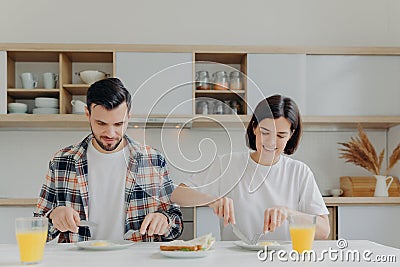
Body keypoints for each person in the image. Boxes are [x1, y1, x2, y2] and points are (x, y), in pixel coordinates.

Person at [34, 78, 183, 243]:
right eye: (101, 123)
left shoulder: (153, 160)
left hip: (136, 260)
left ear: (129, 117)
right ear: (87, 114)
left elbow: (176, 224)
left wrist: (164, 220)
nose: (110, 133)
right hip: (81, 261)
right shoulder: (62, 161)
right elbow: (36, 229)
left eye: (119, 124)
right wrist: (53, 217)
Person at [171, 94, 330, 241]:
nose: (271, 142)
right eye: (265, 132)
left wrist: (288, 214)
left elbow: (324, 231)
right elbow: (177, 194)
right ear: (254, 128)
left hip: (283, 259)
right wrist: (212, 200)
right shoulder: (228, 164)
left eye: (281, 135)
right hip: (235, 259)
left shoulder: (299, 172)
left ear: (291, 135)